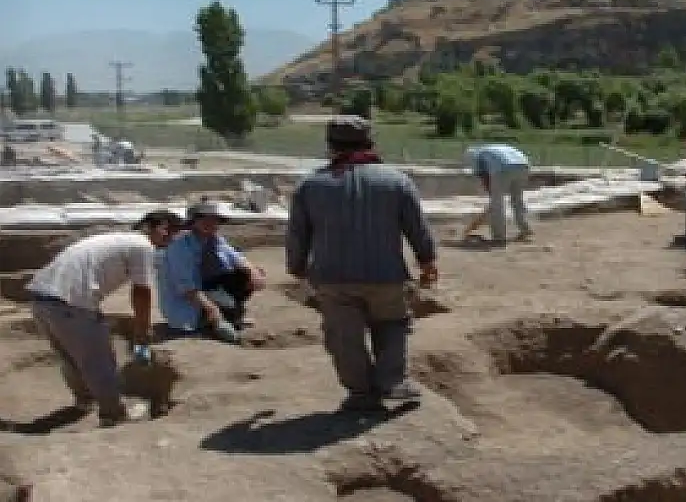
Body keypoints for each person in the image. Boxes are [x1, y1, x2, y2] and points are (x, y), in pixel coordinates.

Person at [286, 116, 438, 412]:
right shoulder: (396, 181)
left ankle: (359, 392)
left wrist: (297, 266)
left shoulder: (310, 185)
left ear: (330, 146)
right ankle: (392, 382)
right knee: (392, 326)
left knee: (344, 337)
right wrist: (427, 260)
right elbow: (417, 228)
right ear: (370, 143)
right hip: (386, 275)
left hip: (332, 278)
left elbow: (297, 234)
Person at [24, 209, 182, 427]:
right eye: (172, 234)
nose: (171, 241)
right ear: (162, 229)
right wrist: (142, 331)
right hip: (71, 304)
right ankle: (113, 413)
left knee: (70, 357)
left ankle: (85, 401)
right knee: (99, 361)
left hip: (41, 299)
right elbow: (141, 291)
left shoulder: (114, 239)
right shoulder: (143, 246)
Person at [160, 201, 267, 343]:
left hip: (208, 290)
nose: (210, 223)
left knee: (250, 273)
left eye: (214, 219)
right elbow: (186, 288)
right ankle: (212, 319)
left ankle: (230, 315)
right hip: (187, 305)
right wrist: (212, 310)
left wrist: (253, 273)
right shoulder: (180, 247)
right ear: (193, 221)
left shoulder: (215, 240)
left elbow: (236, 258)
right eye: (204, 218)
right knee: (221, 325)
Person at [462, 143, 533, 244]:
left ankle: (499, 236)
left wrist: (493, 197)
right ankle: (525, 229)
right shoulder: (491, 149)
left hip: (503, 168)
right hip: (524, 166)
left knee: (497, 204)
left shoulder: (477, 156)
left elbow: (483, 177)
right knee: (517, 200)